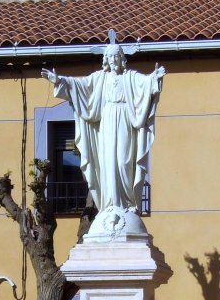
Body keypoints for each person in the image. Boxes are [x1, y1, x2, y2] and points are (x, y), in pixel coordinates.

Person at [42, 42, 165, 223]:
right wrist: (59, 80)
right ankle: (109, 205)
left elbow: (145, 84)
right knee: (107, 163)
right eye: (110, 56)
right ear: (105, 60)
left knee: (124, 162)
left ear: (122, 59)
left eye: (117, 56)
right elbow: (78, 85)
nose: (114, 60)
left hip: (124, 119)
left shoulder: (130, 77)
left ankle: (126, 203)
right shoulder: (99, 78)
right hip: (106, 121)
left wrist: (155, 77)